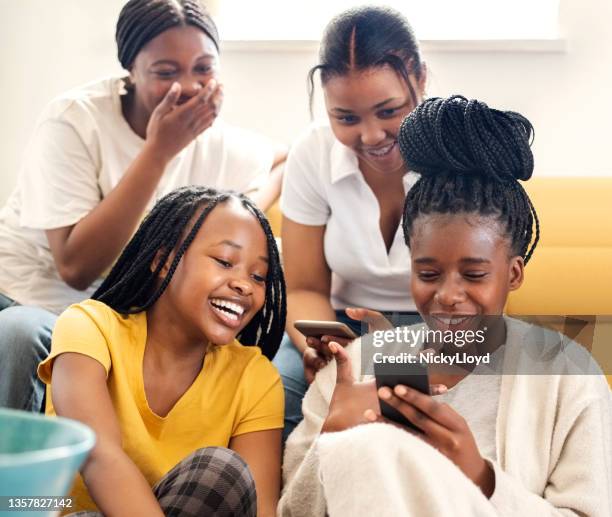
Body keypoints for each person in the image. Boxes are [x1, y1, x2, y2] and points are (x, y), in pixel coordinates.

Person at [279, 96, 612, 516]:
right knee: (365, 446)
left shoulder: (569, 376)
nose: (448, 296)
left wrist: (480, 477)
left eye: (474, 275)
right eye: (429, 274)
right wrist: (332, 437)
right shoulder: (355, 367)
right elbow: (293, 511)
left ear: (513, 274)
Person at [0, 0, 286, 412]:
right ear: (130, 71)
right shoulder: (75, 121)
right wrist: (158, 152)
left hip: (112, 314)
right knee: (19, 334)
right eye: (165, 72)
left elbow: (284, 159)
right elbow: (76, 268)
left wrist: (230, 213)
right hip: (27, 296)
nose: (187, 87)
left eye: (203, 68)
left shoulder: (217, 143)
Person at [38, 186, 286, 517]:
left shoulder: (255, 377)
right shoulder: (89, 327)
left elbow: (259, 510)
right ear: (163, 261)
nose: (244, 285)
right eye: (225, 261)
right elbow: (99, 457)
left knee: (220, 474)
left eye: (259, 276)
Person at [273, 5, 427, 440]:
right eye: (346, 118)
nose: (371, 136)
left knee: (401, 420)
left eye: (388, 110)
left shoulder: (460, 148)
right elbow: (303, 288)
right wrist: (325, 350)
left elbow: (478, 302)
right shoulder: (312, 154)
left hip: (437, 324)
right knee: (283, 400)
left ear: (421, 80)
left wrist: (380, 358)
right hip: (337, 323)